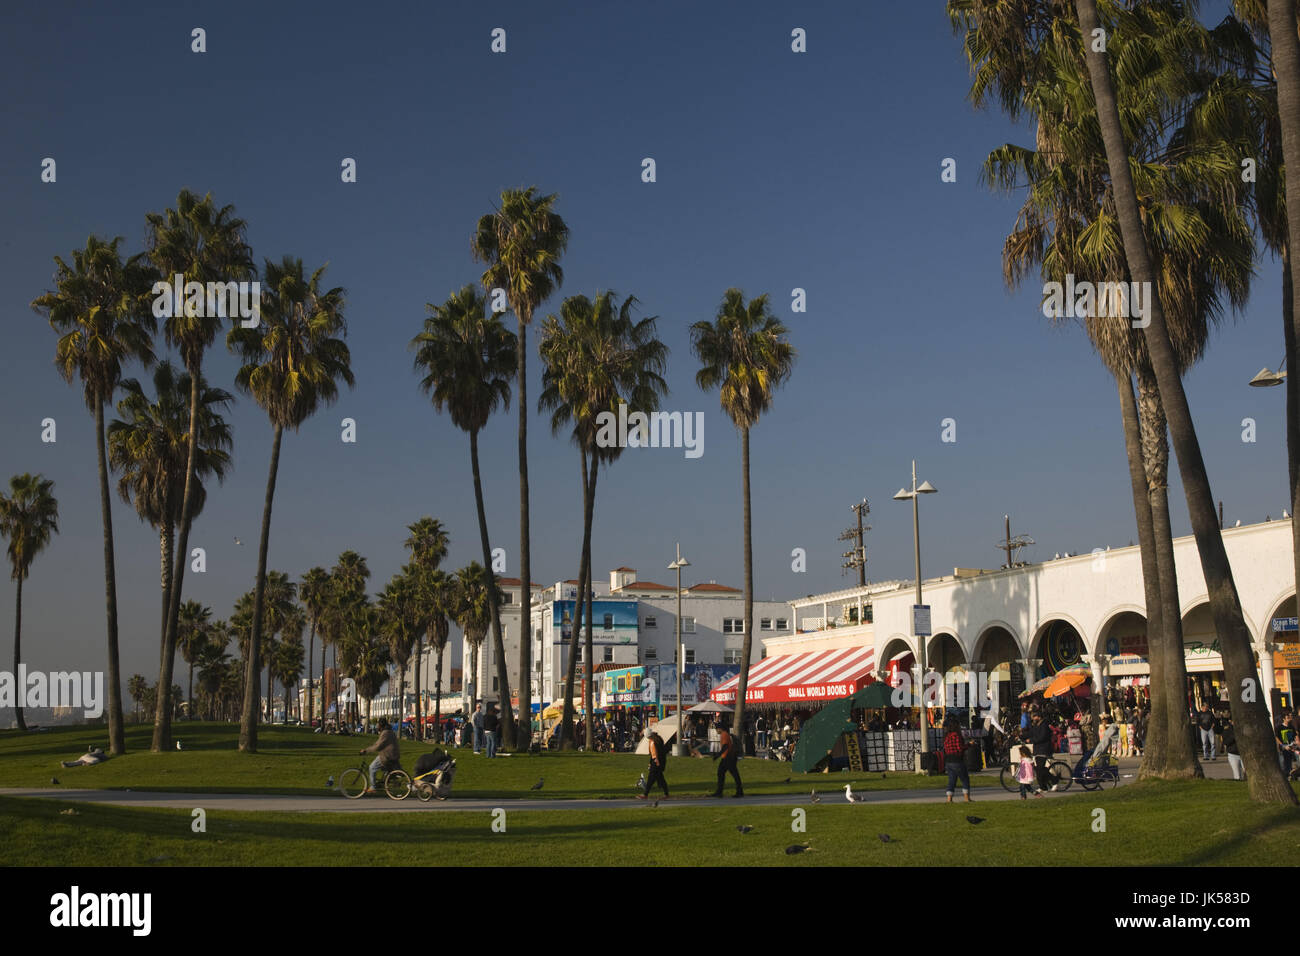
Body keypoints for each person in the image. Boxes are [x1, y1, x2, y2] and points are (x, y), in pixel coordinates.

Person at [360, 717, 401, 792]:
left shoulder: (385, 733)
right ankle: (385, 781)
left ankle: (373, 787)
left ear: (381, 725)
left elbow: (378, 746)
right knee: (384, 769)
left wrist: (366, 750)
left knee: (372, 767)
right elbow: (378, 743)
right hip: (393, 755)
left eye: (378, 724)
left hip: (387, 756)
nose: (377, 726)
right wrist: (371, 747)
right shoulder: (390, 731)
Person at [942, 714, 971, 803]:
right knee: (965, 779)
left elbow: (945, 749)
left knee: (951, 780)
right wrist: (969, 745)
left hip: (948, 761)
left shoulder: (946, 737)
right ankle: (966, 798)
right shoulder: (957, 736)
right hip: (957, 760)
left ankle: (949, 799)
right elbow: (960, 748)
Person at [711, 724, 744, 797]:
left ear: (720, 729)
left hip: (728, 757)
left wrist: (718, 755)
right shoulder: (725, 734)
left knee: (725, 773)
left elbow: (725, 746)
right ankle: (738, 791)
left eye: (717, 729)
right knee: (728, 774)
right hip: (729, 757)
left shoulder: (724, 735)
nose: (716, 730)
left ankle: (720, 791)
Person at [1027, 710, 1055, 793]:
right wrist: (1021, 736)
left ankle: (1054, 780)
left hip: (1044, 749)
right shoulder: (1036, 725)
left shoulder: (1044, 725)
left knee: (1040, 769)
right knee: (1039, 769)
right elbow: (1031, 733)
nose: (1033, 719)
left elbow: (1042, 737)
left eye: (1034, 717)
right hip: (1038, 749)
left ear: (1039, 717)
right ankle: (1043, 787)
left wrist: (1031, 740)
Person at [638, 727, 670, 800]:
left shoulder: (655, 741)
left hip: (657, 762)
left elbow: (657, 754)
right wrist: (650, 762)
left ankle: (645, 794)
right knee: (660, 779)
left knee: (651, 779)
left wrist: (656, 762)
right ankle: (666, 794)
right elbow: (653, 753)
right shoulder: (655, 740)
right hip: (656, 761)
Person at [1221, 716, 1243, 780]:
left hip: (1243, 754)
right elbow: (1225, 742)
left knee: (1247, 773)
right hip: (1233, 754)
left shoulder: (1242, 729)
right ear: (1231, 721)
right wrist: (1233, 736)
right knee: (1237, 775)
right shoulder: (1227, 731)